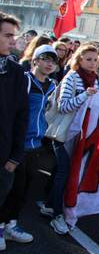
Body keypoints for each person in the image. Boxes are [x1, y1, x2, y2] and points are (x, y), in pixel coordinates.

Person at [1, 45, 57, 248]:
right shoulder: (24, 80)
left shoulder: (52, 85)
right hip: (17, 144)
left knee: (23, 190)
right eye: (45, 59)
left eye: (53, 60)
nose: (49, 63)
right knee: (9, 189)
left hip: (36, 144)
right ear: (35, 60)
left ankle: (11, 225)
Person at [46, 44, 99, 235]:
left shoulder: (94, 80)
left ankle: (50, 205)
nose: (93, 63)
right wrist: (85, 94)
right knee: (64, 172)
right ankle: (56, 215)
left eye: (95, 59)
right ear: (79, 59)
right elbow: (64, 106)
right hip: (63, 133)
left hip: (79, 135)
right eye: (89, 59)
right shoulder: (72, 77)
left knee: (65, 172)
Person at [0, 13, 29, 251]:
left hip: (4, 156)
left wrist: (15, 156)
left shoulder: (16, 72)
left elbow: (22, 117)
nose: (13, 41)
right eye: (8, 35)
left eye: (14, 36)